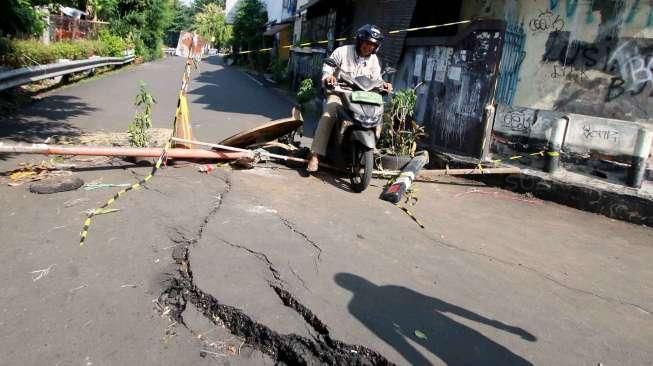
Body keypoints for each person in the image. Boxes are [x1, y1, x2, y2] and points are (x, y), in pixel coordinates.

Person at [306, 24, 393, 172]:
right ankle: (315, 155)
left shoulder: (373, 60)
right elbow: (328, 68)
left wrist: (385, 85)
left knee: (379, 110)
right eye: (367, 43)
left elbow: (377, 79)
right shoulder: (342, 51)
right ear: (360, 41)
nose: (369, 47)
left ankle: (372, 147)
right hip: (340, 93)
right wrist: (329, 77)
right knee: (330, 113)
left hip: (362, 96)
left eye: (373, 45)